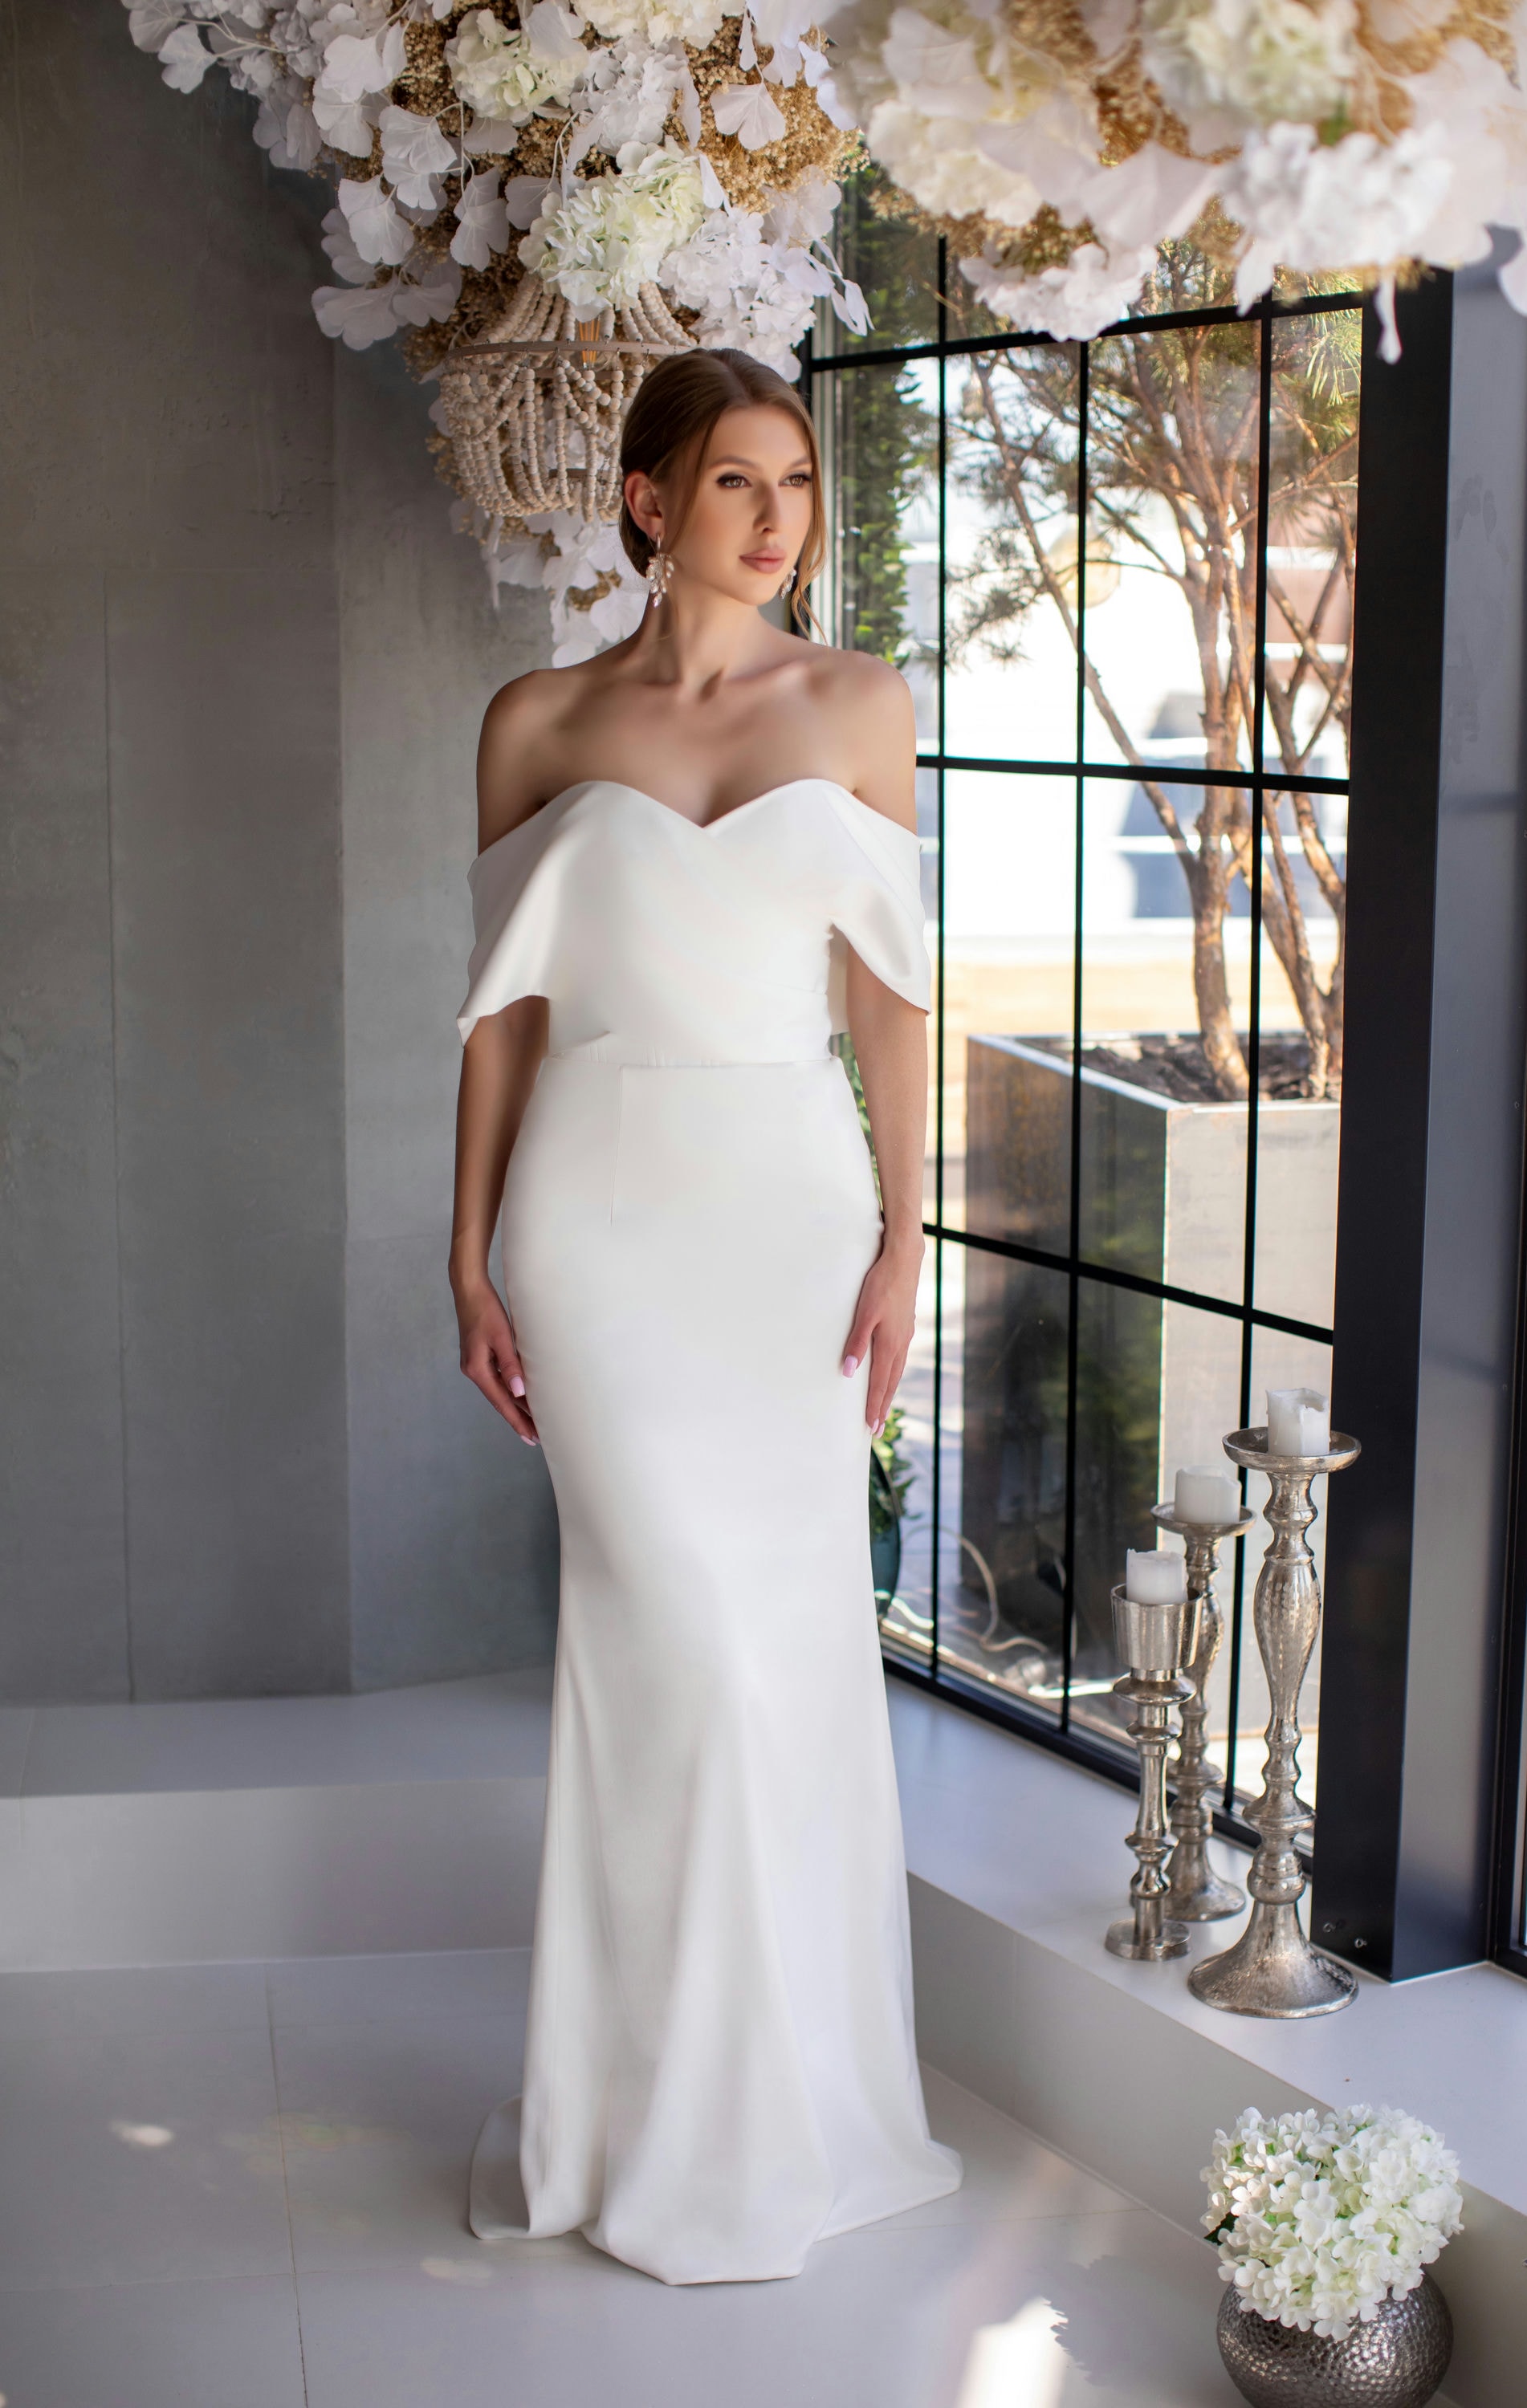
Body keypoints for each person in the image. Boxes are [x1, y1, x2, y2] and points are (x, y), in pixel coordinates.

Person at [450, 346, 961, 2286]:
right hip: (593, 1215)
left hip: (790, 1214)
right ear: (649, 500)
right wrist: (466, 1247)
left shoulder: (859, 704)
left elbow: (889, 996)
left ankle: (782, 2107)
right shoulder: (535, 719)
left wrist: (908, 1232)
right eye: (737, 481)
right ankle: (640, 2120)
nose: (777, 518)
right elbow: (502, 1010)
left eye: (797, 484)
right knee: (666, 1642)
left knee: (776, 1653)